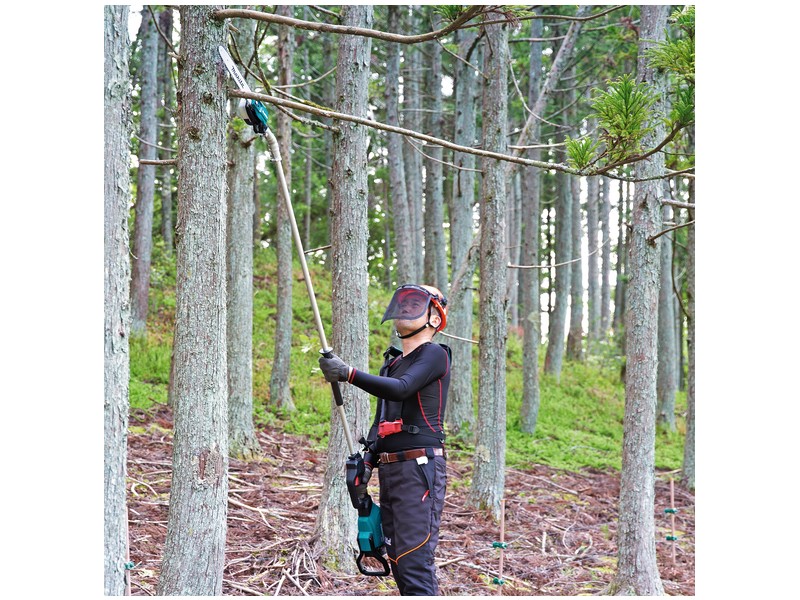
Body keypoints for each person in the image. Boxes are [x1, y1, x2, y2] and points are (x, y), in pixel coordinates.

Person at [319, 284, 451, 596]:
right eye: (403, 303)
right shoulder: (392, 363)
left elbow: (402, 389)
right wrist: (367, 461)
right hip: (392, 471)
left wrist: (348, 373)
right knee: (398, 559)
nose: (405, 308)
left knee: (414, 560)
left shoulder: (435, 354)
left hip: (420, 470)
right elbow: (382, 421)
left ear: (435, 319)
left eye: (415, 303)